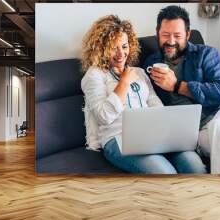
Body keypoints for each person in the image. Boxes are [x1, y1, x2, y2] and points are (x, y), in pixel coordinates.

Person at [81, 15, 206, 174]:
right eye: (114, 48)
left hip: (152, 133)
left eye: (124, 46)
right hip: (118, 139)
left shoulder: (139, 72)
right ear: (101, 49)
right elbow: (103, 116)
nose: (121, 54)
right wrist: (124, 82)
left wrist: (169, 129)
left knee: (194, 165)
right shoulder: (94, 76)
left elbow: (154, 102)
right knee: (165, 173)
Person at [144, 6, 220, 174]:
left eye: (177, 35)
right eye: (165, 34)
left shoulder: (206, 54)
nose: (170, 41)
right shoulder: (151, 64)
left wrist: (177, 86)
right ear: (157, 33)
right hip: (195, 128)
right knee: (214, 142)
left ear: (187, 35)